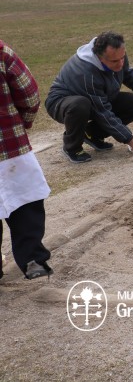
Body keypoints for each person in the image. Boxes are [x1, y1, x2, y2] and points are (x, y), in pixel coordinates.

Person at [46, 31, 133, 163]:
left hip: (97, 98)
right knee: (80, 105)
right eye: (114, 61)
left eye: (122, 58)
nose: (120, 63)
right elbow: (102, 112)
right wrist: (132, 141)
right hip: (62, 102)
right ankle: (72, 147)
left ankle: (92, 135)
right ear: (99, 57)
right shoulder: (86, 73)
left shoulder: (117, 52)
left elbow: (125, 70)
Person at [1, 40, 53, 279]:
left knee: (24, 202)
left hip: (10, 145)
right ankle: (33, 261)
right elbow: (29, 93)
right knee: (25, 205)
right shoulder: (1, 51)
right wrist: (21, 124)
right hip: (9, 146)